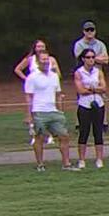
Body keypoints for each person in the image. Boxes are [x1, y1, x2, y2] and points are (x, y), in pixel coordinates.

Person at [22, 43, 73, 171]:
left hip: (54, 111)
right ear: (38, 62)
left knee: (64, 136)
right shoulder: (32, 77)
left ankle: (66, 164)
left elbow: (57, 94)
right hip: (39, 111)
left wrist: (60, 111)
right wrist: (29, 115)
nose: (45, 62)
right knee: (39, 138)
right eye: (43, 60)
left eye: (47, 59)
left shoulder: (54, 76)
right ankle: (40, 164)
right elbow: (29, 97)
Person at [72, 46, 107, 169]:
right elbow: (80, 90)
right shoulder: (79, 72)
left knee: (98, 132)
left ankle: (99, 159)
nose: (91, 59)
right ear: (83, 59)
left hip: (98, 104)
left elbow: (104, 88)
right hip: (84, 105)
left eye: (93, 57)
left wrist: (92, 89)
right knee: (84, 132)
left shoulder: (99, 72)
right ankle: (81, 159)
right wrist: (95, 89)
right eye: (88, 57)